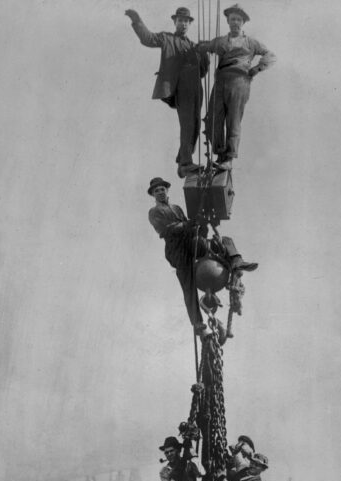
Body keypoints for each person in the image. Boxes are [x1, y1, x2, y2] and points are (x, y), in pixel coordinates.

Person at [147, 176, 258, 335]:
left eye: (162, 189)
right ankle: (197, 323)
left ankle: (236, 261)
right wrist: (190, 224)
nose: (160, 192)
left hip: (191, 244)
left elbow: (190, 228)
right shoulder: (154, 212)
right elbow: (167, 230)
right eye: (156, 191)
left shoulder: (177, 208)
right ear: (153, 194)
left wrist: (201, 223)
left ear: (167, 190)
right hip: (177, 251)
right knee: (188, 285)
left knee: (225, 240)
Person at [125, 7, 209, 178]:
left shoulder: (194, 45)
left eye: (186, 21)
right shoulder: (166, 38)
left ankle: (183, 160)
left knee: (195, 125)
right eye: (180, 21)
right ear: (175, 22)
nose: (183, 24)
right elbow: (147, 39)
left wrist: (204, 54)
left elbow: (202, 72)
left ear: (189, 23)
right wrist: (136, 20)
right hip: (182, 87)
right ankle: (185, 163)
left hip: (195, 87)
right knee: (187, 124)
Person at [197, 4, 275, 170]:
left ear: (243, 22)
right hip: (220, 82)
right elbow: (203, 47)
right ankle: (219, 154)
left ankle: (229, 158)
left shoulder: (251, 42)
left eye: (239, 19)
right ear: (227, 21)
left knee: (233, 120)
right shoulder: (220, 42)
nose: (235, 22)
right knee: (213, 119)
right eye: (232, 19)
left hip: (239, 81)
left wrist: (257, 68)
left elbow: (270, 55)